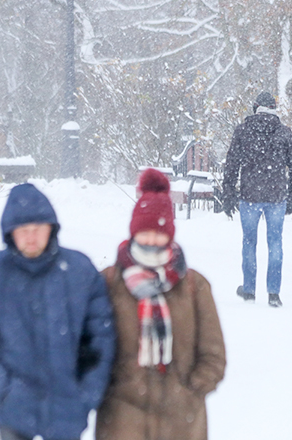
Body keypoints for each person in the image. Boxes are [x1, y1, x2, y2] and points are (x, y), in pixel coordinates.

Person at [0, 183, 116, 440]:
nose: (31, 237)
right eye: (23, 230)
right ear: (10, 232)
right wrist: (2, 386)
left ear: (51, 228)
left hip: (67, 408)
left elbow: (102, 336)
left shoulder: (79, 271)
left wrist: (87, 394)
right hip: (13, 408)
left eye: (37, 229)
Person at [96, 168, 226, 440]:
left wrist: (191, 391)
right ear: (133, 232)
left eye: (159, 232)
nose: (152, 240)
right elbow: (91, 347)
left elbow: (213, 352)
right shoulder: (109, 282)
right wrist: (108, 388)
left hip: (181, 421)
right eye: (145, 232)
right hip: (122, 419)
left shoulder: (193, 285)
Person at [222, 91, 292, 307]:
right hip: (276, 196)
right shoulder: (284, 133)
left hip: (250, 194)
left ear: (255, 107)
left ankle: (249, 289)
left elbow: (231, 164)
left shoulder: (243, 130)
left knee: (249, 242)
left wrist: (228, 193)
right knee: (275, 243)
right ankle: (273, 293)